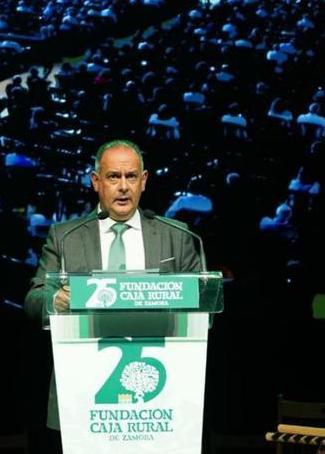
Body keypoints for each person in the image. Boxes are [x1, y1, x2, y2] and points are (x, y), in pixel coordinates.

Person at [23, 140, 203, 430]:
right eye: (113, 177)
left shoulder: (176, 235)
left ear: (143, 181)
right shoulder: (66, 236)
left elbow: (202, 301)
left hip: (160, 395)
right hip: (84, 392)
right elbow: (33, 300)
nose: (123, 186)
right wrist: (55, 300)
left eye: (131, 176)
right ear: (96, 181)